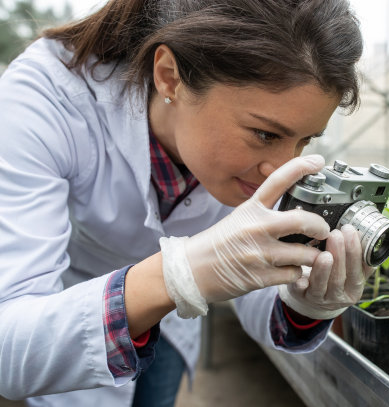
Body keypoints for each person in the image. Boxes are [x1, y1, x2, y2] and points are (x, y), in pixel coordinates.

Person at [0, 1, 369, 406]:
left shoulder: (248, 149)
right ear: (169, 77)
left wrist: (304, 301)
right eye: (265, 135)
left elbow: (257, 286)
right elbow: (9, 348)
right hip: (71, 318)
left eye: (305, 140)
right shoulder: (48, 96)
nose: (282, 168)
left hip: (172, 325)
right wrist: (176, 276)